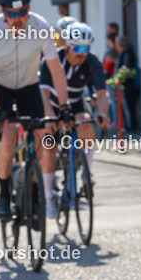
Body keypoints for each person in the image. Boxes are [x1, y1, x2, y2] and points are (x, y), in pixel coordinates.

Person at [0, 0, 70, 219]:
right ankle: (4, 193)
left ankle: (40, 191)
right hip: (1, 87)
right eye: (11, 14)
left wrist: (65, 106)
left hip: (29, 86)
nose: (18, 19)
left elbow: (56, 70)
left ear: (29, 9)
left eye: (23, 13)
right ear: (2, 12)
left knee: (45, 140)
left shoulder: (41, 27)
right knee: (7, 138)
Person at [40, 22, 110, 216]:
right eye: (78, 48)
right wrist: (50, 117)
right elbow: (44, 93)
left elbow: (103, 93)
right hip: (52, 103)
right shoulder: (53, 59)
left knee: (86, 121)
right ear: (67, 46)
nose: (82, 53)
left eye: (86, 48)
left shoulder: (92, 62)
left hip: (75, 101)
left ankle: (86, 173)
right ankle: (49, 197)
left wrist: (103, 113)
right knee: (49, 148)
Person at [117, 36, 140, 132]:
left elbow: (124, 69)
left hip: (129, 85)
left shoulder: (126, 54)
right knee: (129, 106)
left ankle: (131, 126)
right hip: (130, 85)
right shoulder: (128, 53)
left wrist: (119, 79)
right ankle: (130, 126)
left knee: (129, 106)